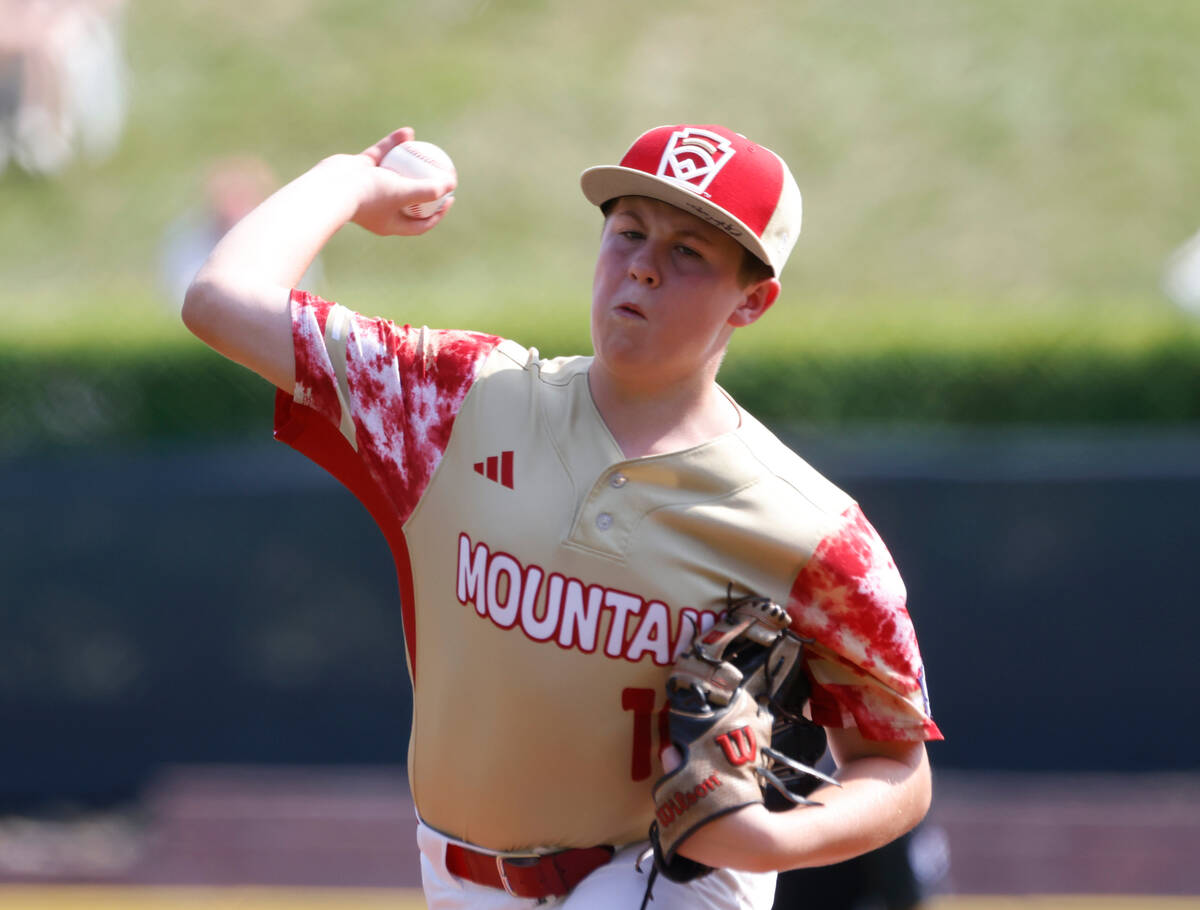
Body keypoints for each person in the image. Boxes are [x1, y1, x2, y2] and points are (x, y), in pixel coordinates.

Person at [182, 123, 942, 910]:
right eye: (629, 232)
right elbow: (219, 300)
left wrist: (775, 840)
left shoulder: (811, 528)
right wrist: (348, 180)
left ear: (752, 300)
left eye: (688, 252)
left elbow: (894, 766)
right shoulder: (461, 400)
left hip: (665, 876)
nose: (643, 266)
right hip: (460, 877)